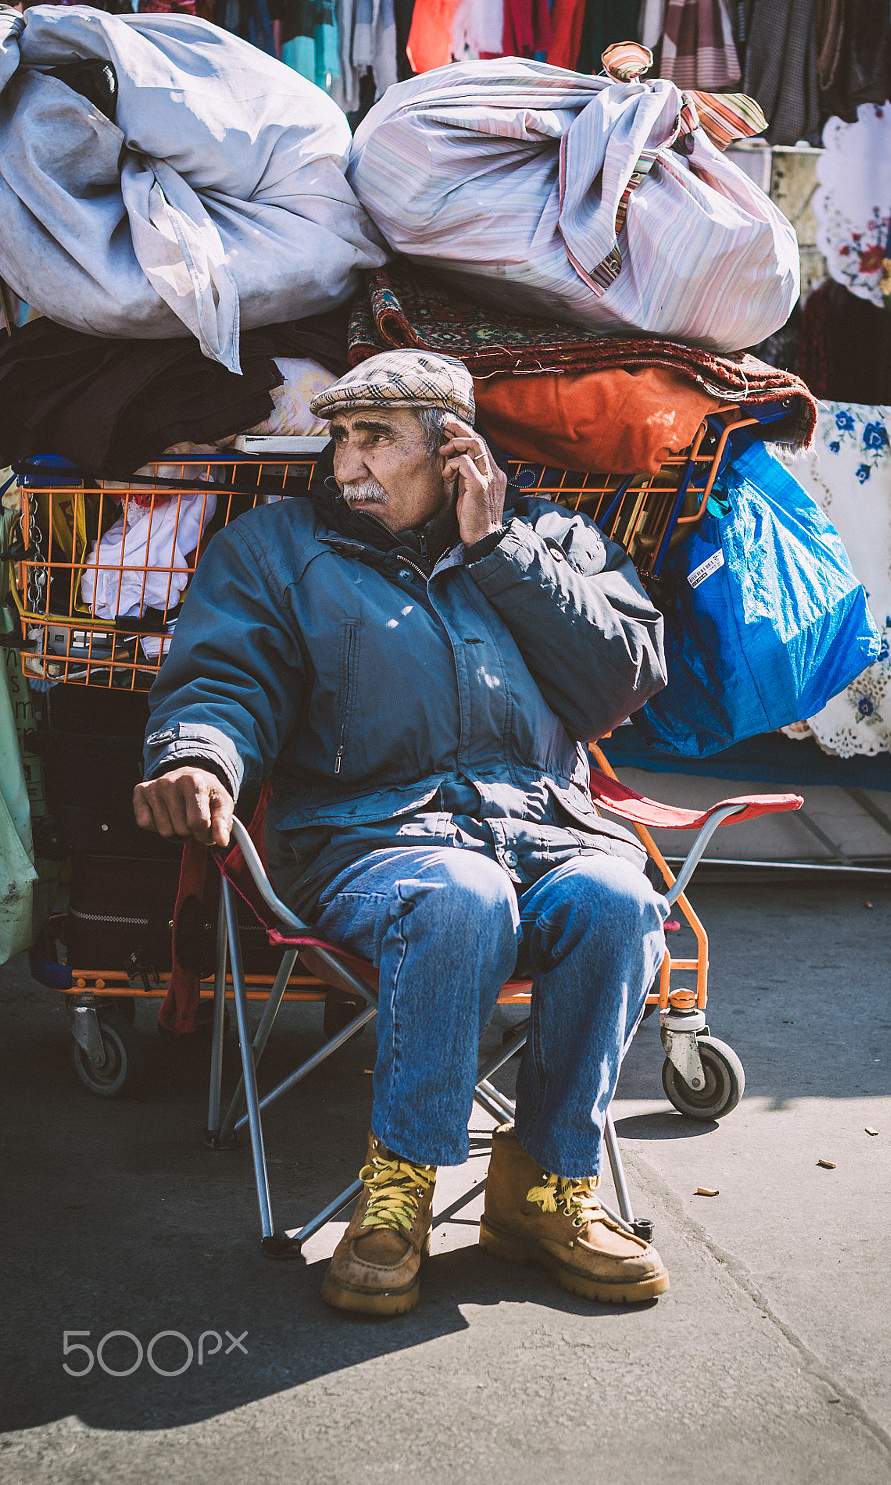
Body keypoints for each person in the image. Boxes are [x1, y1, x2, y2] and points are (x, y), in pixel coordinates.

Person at [134, 350, 671, 1317]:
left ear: (456, 451)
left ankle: (545, 1188)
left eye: (376, 439)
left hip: (540, 827)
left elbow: (620, 681)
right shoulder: (275, 550)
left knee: (620, 897)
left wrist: (502, 548)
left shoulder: (551, 538)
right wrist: (198, 757)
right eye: (341, 438)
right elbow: (223, 682)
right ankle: (400, 1190)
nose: (347, 465)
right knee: (458, 896)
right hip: (365, 840)